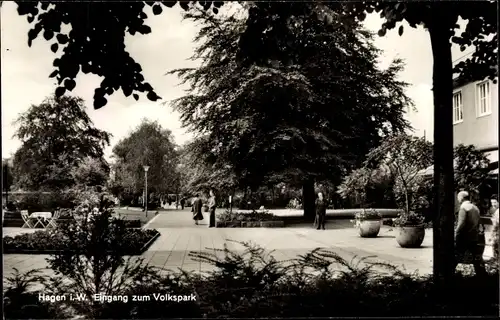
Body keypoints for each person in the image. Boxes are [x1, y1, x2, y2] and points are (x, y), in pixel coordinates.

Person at [454, 191, 486, 277]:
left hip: (464, 236)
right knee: (476, 256)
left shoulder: (463, 208)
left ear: (461, 198)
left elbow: (461, 223)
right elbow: (479, 222)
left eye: (458, 197)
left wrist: (456, 232)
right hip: (473, 236)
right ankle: (482, 274)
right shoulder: (475, 208)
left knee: (457, 254)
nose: (457, 199)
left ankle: (449, 275)